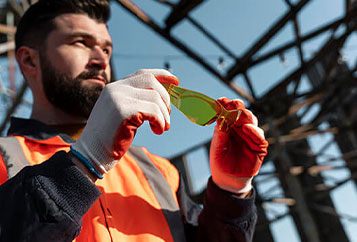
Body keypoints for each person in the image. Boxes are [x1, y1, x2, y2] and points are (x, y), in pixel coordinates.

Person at [0, 0, 268, 241]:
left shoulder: (161, 171)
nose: (100, 60)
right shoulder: (4, 156)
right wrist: (85, 162)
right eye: (80, 42)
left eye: (106, 49)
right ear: (29, 60)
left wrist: (231, 193)